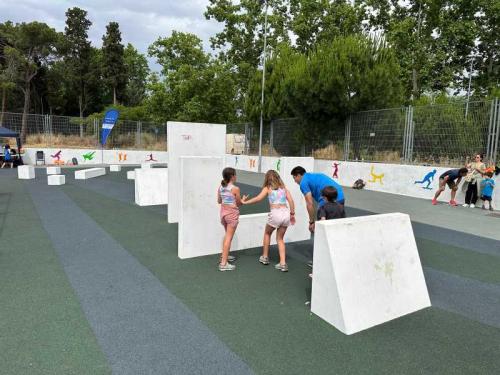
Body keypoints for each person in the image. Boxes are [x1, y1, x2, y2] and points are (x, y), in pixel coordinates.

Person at [242, 170, 295, 272]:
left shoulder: (268, 188)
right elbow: (291, 201)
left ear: (267, 178)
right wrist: (292, 214)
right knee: (280, 239)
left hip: (275, 213)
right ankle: (283, 263)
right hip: (286, 213)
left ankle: (265, 257)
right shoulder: (284, 189)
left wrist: (245, 202)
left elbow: (258, 198)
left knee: (267, 233)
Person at [290, 166, 345, 233]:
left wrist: (312, 222)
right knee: (337, 226)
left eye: (294, 178)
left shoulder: (303, 183)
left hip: (327, 200)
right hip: (340, 196)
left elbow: (309, 203)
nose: (295, 181)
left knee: (322, 229)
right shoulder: (313, 176)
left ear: (298, 175)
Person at [217, 167, 244, 271]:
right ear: (232, 176)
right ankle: (223, 264)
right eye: (235, 174)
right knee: (228, 237)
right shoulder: (235, 189)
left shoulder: (220, 187)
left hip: (223, 214)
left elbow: (219, 201)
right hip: (232, 215)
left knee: (227, 236)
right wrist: (243, 200)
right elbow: (238, 203)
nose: (236, 176)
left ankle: (224, 256)